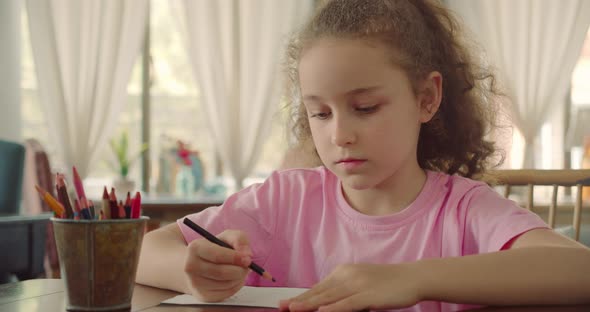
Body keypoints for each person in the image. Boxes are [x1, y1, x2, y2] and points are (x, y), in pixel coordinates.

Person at [136, 0, 590, 311]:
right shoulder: (284, 201)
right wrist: (192, 272)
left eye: (365, 108)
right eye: (319, 112)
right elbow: (141, 252)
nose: (340, 135)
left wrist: (411, 279)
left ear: (427, 98)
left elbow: (579, 270)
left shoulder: (464, 210)